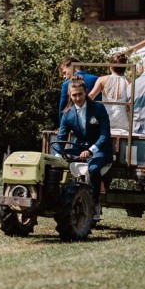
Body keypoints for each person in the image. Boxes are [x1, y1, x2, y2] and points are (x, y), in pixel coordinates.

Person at [57, 78, 112, 220]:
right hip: (80, 147)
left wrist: (91, 150)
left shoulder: (98, 108)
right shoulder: (67, 114)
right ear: (70, 95)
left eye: (80, 94)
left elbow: (105, 135)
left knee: (93, 168)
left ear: (86, 92)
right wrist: (57, 155)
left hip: (100, 148)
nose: (77, 98)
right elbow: (62, 137)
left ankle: (95, 204)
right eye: (74, 95)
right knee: (59, 164)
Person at [88, 52, 130, 132]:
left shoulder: (102, 80)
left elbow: (91, 96)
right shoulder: (129, 82)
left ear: (110, 67)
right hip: (123, 120)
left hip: (105, 118)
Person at [58, 55, 100, 121]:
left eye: (64, 72)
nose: (64, 76)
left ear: (71, 67)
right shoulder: (97, 79)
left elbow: (63, 106)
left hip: (75, 122)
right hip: (95, 120)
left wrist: (62, 125)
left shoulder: (67, 84)